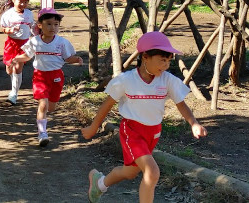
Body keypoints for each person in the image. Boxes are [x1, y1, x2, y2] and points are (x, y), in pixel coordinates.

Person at [81, 31, 207, 203]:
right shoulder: (126, 80)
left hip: (153, 132)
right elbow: (107, 104)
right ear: (145, 57)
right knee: (152, 172)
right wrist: (94, 127)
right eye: (162, 60)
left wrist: (194, 123)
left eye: (169, 60)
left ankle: (100, 183)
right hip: (132, 131)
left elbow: (181, 104)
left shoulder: (167, 80)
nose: (166, 65)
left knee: (130, 172)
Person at [10, 7, 83, 147]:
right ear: (40, 25)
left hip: (56, 76)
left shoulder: (62, 42)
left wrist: (77, 59)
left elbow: (68, 58)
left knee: (51, 107)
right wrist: (16, 59)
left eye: (56, 24)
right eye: (48, 24)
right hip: (40, 76)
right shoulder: (35, 41)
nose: (52, 27)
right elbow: (28, 55)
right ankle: (42, 133)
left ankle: (44, 120)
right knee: (43, 105)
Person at [0, 0, 36, 105]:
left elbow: (32, 27)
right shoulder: (8, 15)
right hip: (11, 44)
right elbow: (3, 29)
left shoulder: (29, 14)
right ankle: (13, 87)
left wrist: (37, 33)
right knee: (9, 69)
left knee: (18, 68)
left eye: (26, 2)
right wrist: (10, 30)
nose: (23, 4)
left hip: (24, 45)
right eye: (20, 1)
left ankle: (14, 94)